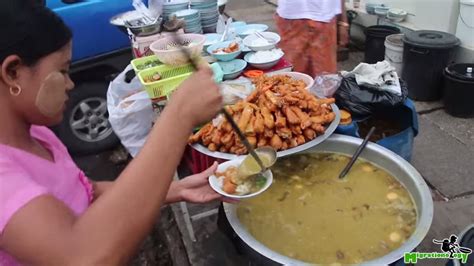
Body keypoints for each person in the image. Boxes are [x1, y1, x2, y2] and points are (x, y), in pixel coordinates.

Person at [0, 2, 225, 265]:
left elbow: (86, 192)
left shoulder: (38, 135)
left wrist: (173, 189)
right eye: (61, 71)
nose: (70, 83)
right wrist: (179, 115)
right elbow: (82, 257)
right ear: (13, 72)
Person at [275, 0, 349, 77]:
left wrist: (343, 22)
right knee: (290, 79)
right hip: (292, 17)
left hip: (325, 17)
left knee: (326, 78)